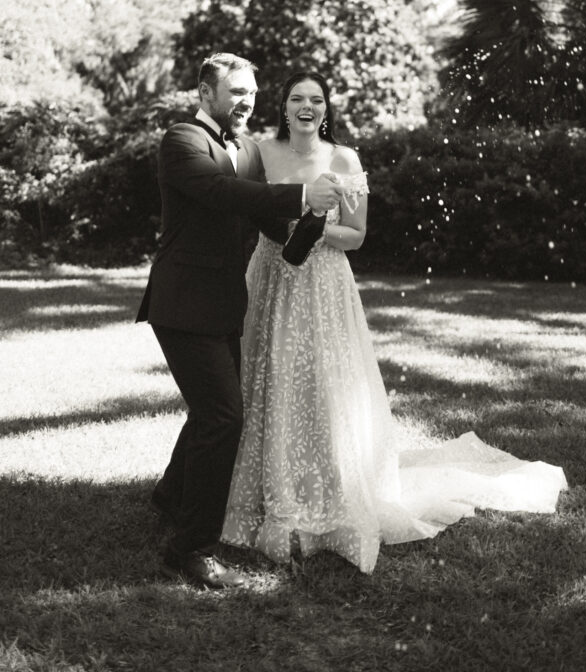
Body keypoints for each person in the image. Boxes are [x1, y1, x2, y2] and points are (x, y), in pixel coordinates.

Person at [222, 71, 568, 574]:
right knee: (264, 376)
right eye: (296, 98)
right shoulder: (260, 153)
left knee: (320, 384)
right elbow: (245, 207)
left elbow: (357, 235)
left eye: (315, 99)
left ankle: (325, 490)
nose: (306, 106)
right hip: (269, 275)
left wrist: (312, 231)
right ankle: (257, 491)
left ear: (326, 109)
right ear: (282, 107)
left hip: (321, 283)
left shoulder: (344, 159)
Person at [136, 53, 343, 589]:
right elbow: (221, 193)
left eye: (252, 92)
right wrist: (301, 192)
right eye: (236, 92)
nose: (247, 101)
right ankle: (191, 549)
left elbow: (274, 230)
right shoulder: (182, 141)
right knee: (224, 416)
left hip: (226, 304)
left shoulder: (246, 150)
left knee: (214, 410)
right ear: (207, 95)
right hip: (181, 305)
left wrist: (316, 216)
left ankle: (169, 496)